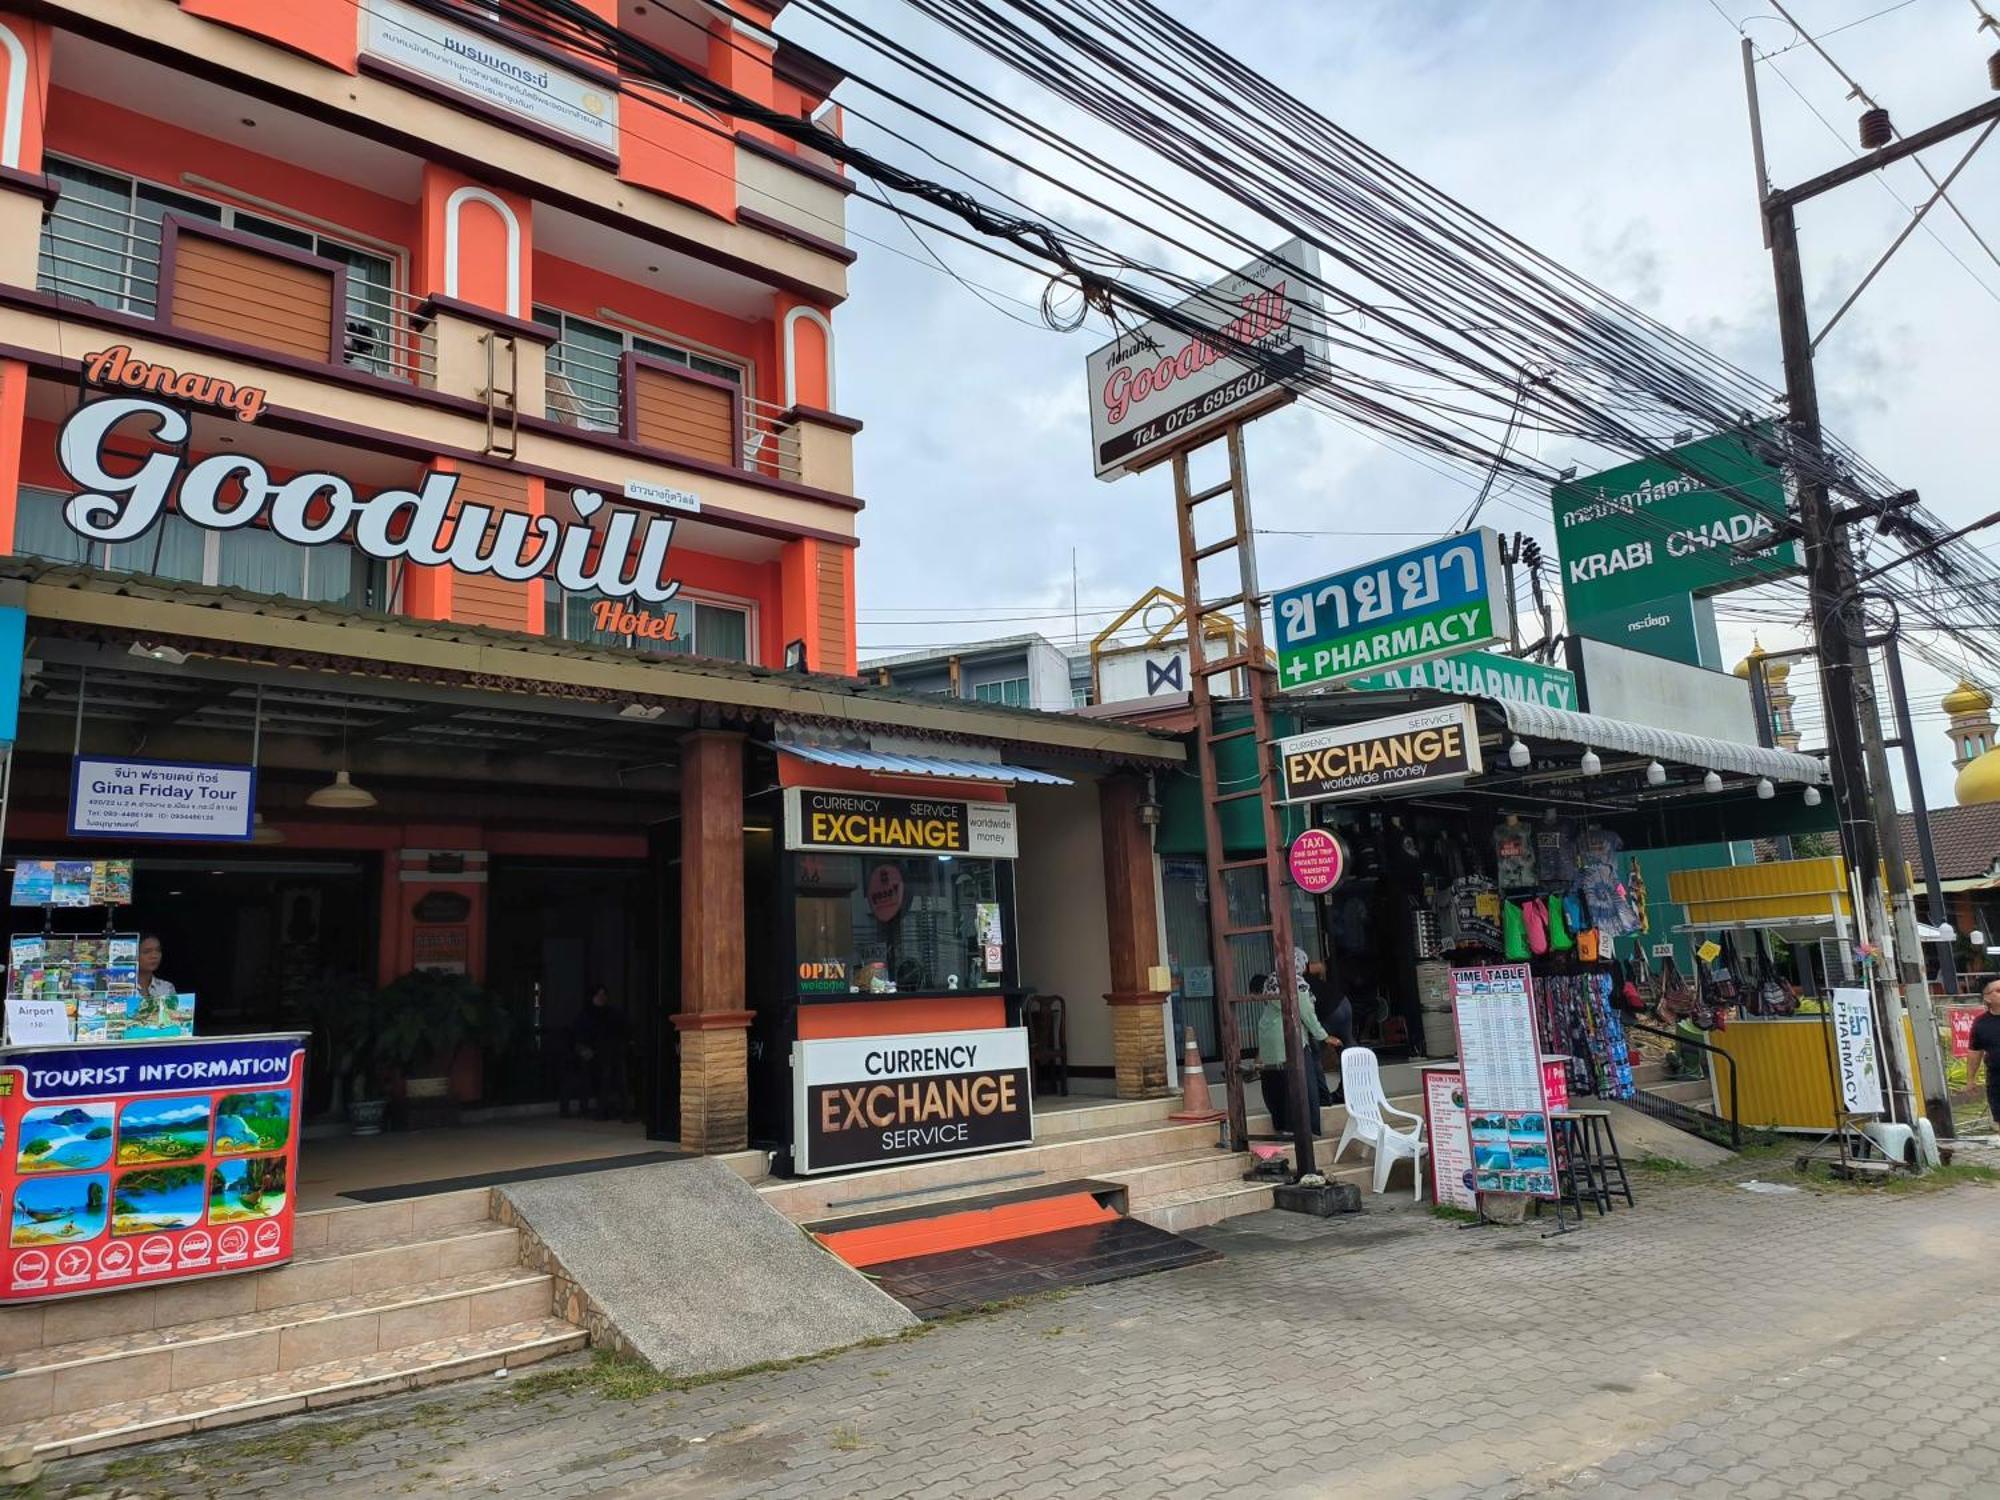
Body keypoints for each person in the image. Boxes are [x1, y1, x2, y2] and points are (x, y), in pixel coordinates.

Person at [1256, 958, 1328, 1137]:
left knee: (1276, 1083)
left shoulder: (1271, 981)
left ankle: (1283, 1125)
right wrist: (1323, 1036)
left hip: (1269, 1038)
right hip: (1289, 1037)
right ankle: (1306, 1127)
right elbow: (1305, 1012)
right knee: (1303, 1083)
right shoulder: (1297, 983)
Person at [563, 984, 627, 1120]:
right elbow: (576, 1037)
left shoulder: (611, 1014)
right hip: (588, 1055)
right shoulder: (585, 1015)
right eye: (598, 995)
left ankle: (605, 1109)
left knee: (610, 1069)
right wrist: (583, 1049)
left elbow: (618, 1034)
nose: (601, 998)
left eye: (604, 995)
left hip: (607, 1054)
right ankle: (593, 1108)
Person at [1306, 957, 1355, 1102]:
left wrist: (1322, 1036)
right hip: (1342, 1002)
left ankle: (1322, 1096)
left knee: (1313, 1054)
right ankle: (1353, 1090)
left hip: (1328, 1012)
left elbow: (1307, 1016)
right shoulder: (1303, 974)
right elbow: (1320, 967)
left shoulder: (1293, 981)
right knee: (1348, 1048)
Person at [1968, 978, 2000, 1128]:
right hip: (1996, 1079)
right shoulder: (1980, 1023)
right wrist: (1970, 1079)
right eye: (1998, 991)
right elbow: (1975, 1051)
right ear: (1987, 997)